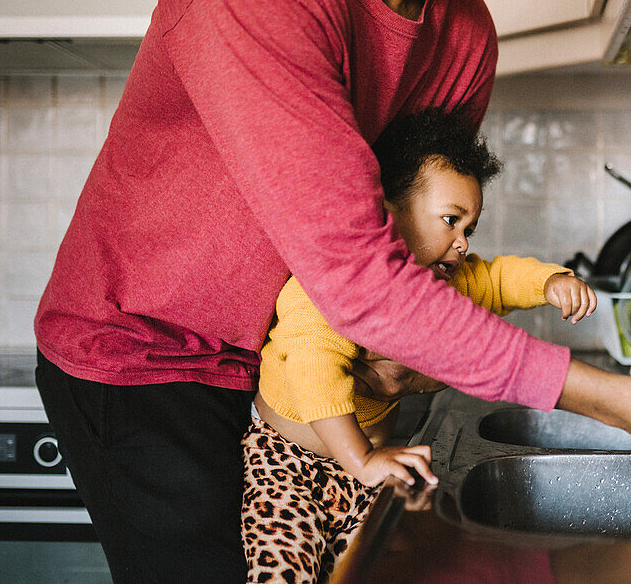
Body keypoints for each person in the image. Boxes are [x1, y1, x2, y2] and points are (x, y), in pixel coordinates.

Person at [34, 0, 631, 581]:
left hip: (283, 366)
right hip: (145, 357)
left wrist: (403, 361)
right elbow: (360, 277)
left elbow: (409, 256)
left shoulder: (465, 36)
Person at [242, 107, 597, 582]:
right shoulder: (328, 281)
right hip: (285, 462)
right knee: (282, 574)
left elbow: (495, 278)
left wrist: (551, 280)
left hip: (365, 469)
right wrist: (361, 459)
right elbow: (312, 371)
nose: (463, 243)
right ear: (389, 214)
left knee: (368, 572)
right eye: (450, 221)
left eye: (468, 228)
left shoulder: (441, 283)